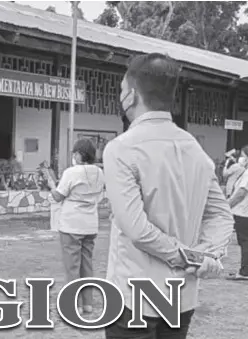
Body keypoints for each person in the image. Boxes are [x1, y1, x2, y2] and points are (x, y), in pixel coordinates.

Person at [102, 53, 234, 339]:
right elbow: (221, 215)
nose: (122, 97)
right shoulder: (195, 149)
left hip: (133, 296)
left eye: (122, 90)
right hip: (181, 296)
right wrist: (204, 255)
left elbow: (136, 230)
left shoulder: (121, 149)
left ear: (132, 96)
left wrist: (185, 256)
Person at [48, 138, 105, 314]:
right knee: (86, 264)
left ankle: (75, 304)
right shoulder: (100, 172)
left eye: (74, 153)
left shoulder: (71, 172)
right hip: (90, 224)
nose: (73, 156)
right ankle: (88, 303)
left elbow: (58, 196)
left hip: (71, 224)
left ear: (80, 154)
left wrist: (51, 184)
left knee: (72, 266)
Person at [227, 145, 248, 280]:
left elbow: (241, 193)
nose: (242, 158)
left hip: (243, 213)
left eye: (243, 155)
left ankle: (245, 271)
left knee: (245, 242)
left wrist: (226, 206)